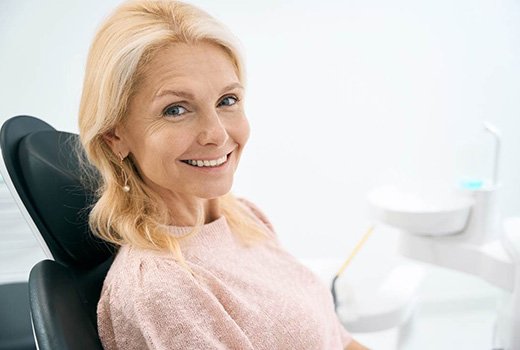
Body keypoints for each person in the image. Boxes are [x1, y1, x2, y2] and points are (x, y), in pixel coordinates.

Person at [78, 0, 368, 349]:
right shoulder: (161, 288)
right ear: (115, 136)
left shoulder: (243, 217)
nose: (216, 133)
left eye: (227, 101)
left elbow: (338, 340)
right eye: (176, 109)